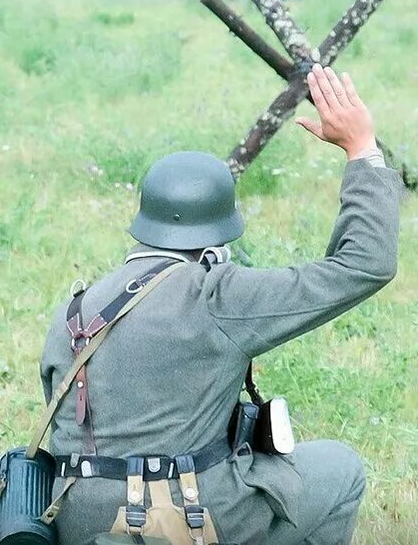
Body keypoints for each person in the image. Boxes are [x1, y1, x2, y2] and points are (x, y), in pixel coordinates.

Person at [39, 65, 402, 545]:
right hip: (175, 517)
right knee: (339, 468)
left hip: (76, 521)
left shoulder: (76, 308)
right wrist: (362, 150)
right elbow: (364, 264)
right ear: (215, 242)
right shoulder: (214, 295)